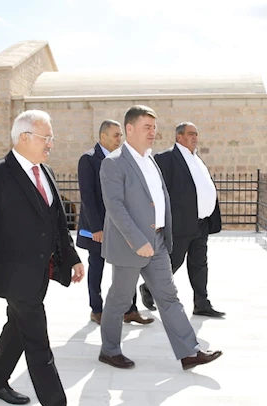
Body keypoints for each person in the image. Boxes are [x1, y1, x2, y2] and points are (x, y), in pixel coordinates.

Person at [0, 110, 88, 406]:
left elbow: (57, 223)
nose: (51, 143)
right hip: (13, 273)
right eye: (46, 137)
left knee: (17, 328)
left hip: (40, 272)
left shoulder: (45, 172)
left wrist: (72, 257)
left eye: (51, 138)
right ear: (24, 138)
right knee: (37, 339)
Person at [97, 105, 222, 371]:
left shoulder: (150, 160)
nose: (153, 132)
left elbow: (159, 200)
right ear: (129, 129)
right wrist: (137, 240)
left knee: (169, 297)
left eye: (154, 127)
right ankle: (109, 350)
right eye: (147, 127)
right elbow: (115, 207)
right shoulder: (113, 163)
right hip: (131, 245)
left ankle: (189, 352)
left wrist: (162, 235)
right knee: (120, 300)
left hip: (157, 242)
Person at [139, 122, 226, 317]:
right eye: (190, 134)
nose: (195, 137)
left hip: (201, 223)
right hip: (180, 223)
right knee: (173, 261)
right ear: (179, 136)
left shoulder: (196, 159)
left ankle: (201, 303)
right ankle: (148, 288)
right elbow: (156, 190)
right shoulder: (166, 158)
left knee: (199, 263)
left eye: (196, 134)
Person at [76, 120, 153, 326]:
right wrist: (96, 228)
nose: (120, 139)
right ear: (103, 136)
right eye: (116, 135)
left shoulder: (123, 159)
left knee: (127, 267)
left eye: (121, 135)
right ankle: (96, 310)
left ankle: (130, 310)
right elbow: (87, 196)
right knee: (97, 267)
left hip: (121, 225)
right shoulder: (88, 159)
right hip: (99, 228)